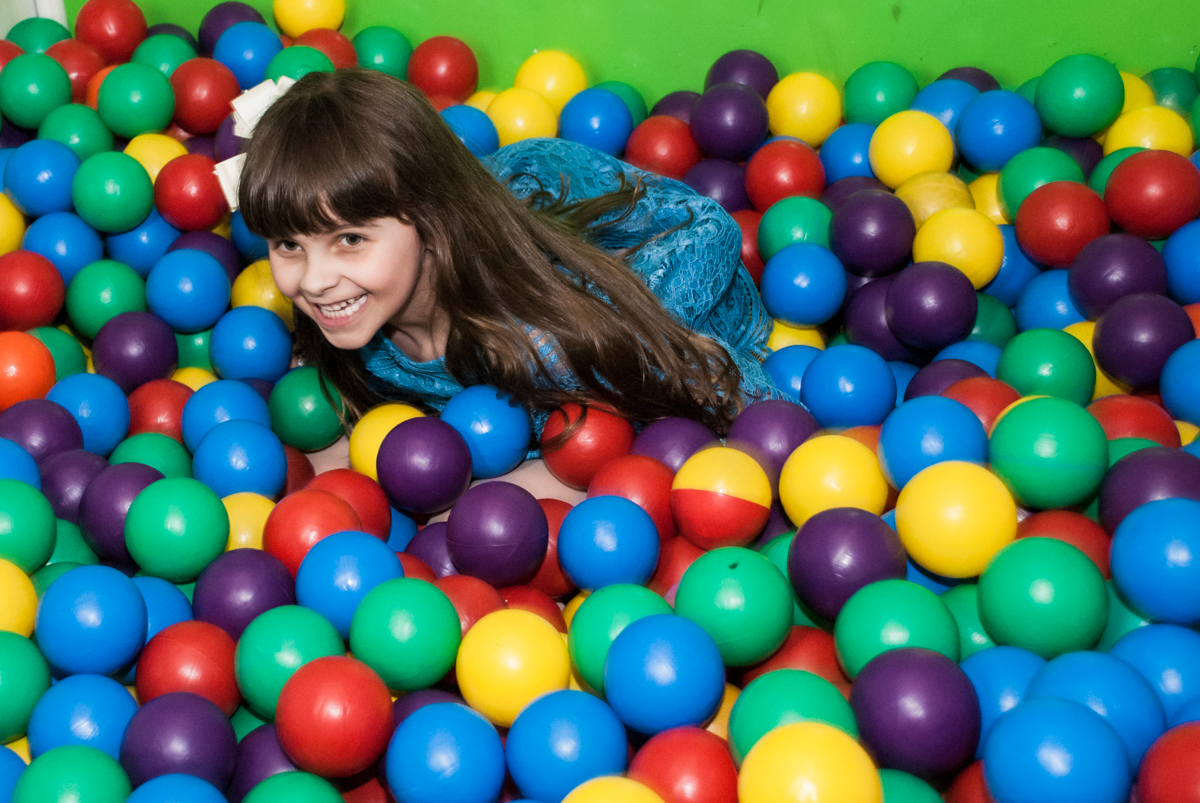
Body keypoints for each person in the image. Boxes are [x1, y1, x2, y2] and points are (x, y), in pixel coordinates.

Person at [237, 68, 781, 489]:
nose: (314, 281)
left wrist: (620, 325)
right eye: (288, 244)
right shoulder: (353, 326)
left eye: (350, 240)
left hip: (643, 272)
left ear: (430, 219)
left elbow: (712, 236)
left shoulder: (555, 339)